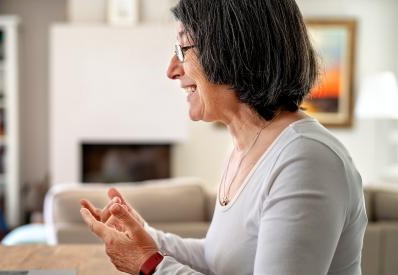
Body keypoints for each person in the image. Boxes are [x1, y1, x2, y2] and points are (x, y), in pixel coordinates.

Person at [79, 0, 367, 274]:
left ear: (232, 50)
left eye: (182, 49)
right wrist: (144, 236)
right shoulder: (243, 149)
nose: (171, 70)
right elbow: (218, 260)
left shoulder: (306, 160)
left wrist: (150, 264)